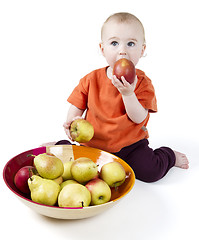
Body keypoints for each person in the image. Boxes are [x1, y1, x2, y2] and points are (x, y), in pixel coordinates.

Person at [56, 12, 189, 182]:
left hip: (130, 146)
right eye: (114, 43)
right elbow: (77, 107)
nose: (123, 51)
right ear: (102, 49)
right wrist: (71, 123)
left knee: (151, 172)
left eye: (131, 44)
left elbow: (139, 116)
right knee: (71, 165)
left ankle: (168, 156)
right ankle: (60, 145)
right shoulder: (91, 79)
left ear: (142, 50)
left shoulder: (142, 82)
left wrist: (128, 93)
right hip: (92, 144)